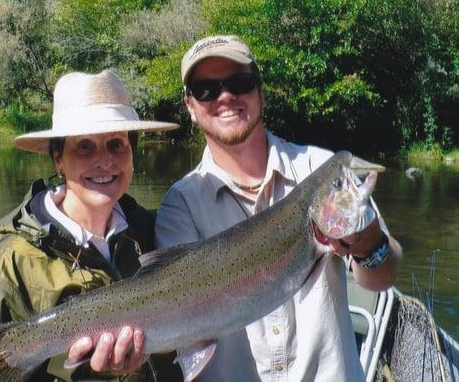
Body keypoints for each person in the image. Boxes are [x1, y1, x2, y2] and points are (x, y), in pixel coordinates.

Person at [154, 35, 403, 381]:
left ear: (260, 91)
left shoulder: (321, 169)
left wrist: (367, 243)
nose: (226, 96)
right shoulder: (180, 205)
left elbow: (382, 278)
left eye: (239, 82)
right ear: (190, 106)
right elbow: (182, 324)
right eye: (206, 90)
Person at [0, 70, 182, 382]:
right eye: (84, 146)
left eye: (116, 144)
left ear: (132, 154)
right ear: (58, 158)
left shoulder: (157, 232)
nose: (105, 161)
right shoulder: (6, 270)